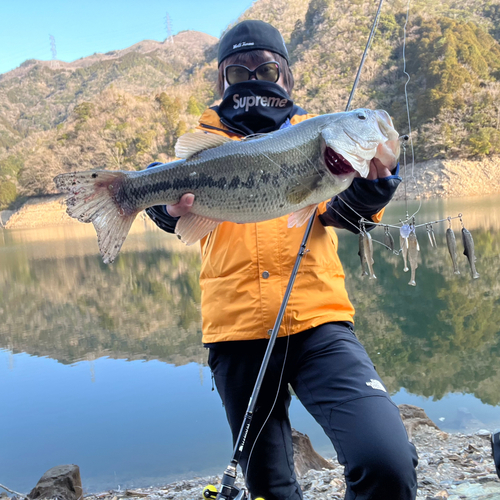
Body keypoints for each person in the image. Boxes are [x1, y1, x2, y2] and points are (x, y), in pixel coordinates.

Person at [146, 20, 418, 500]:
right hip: (237, 334)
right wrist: (159, 206)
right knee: (270, 488)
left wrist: (375, 186)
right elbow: (173, 214)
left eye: (267, 67)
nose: (254, 78)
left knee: (387, 462)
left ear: (286, 75)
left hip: (320, 324)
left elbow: (346, 216)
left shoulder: (318, 139)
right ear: (220, 81)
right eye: (238, 71)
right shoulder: (201, 150)